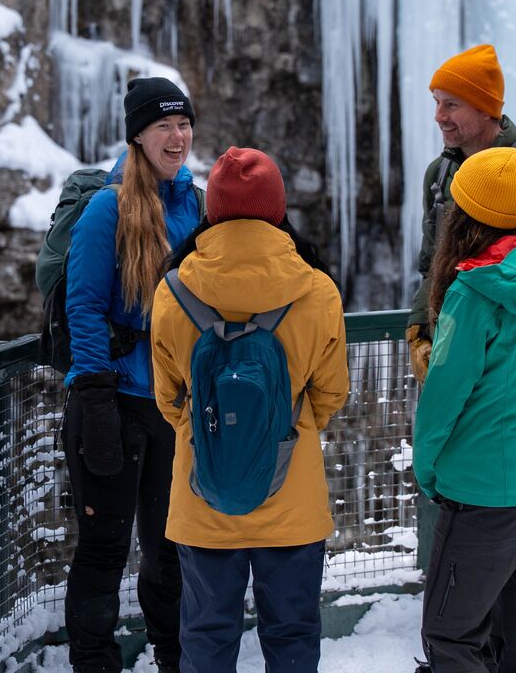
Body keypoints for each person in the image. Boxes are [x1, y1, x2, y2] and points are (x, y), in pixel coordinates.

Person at [151, 148, 349, 673]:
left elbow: (169, 399)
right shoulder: (318, 290)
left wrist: (214, 435)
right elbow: (331, 394)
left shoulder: (172, 292)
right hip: (292, 495)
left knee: (206, 636)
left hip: (204, 494)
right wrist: (283, 433)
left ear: (211, 211)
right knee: (292, 634)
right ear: (278, 208)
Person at [414, 147, 516, 673]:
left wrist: (428, 468)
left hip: (485, 489)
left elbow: (445, 395)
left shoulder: (473, 290)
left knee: (451, 634)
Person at [62, 77, 205, 673]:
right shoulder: (107, 207)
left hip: (171, 405)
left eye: (184, 124)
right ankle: (95, 664)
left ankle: (173, 658)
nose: (177, 137)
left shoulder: (193, 201)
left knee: (170, 548)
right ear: (139, 136)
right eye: (163, 127)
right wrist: (95, 399)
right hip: (114, 403)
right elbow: (85, 305)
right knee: (103, 548)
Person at [407, 44, 516, 382]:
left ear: (484, 109)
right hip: (448, 344)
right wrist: (419, 327)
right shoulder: (439, 174)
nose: (439, 116)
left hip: (510, 355)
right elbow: (430, 262)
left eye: (451, 104)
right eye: (436, 102)